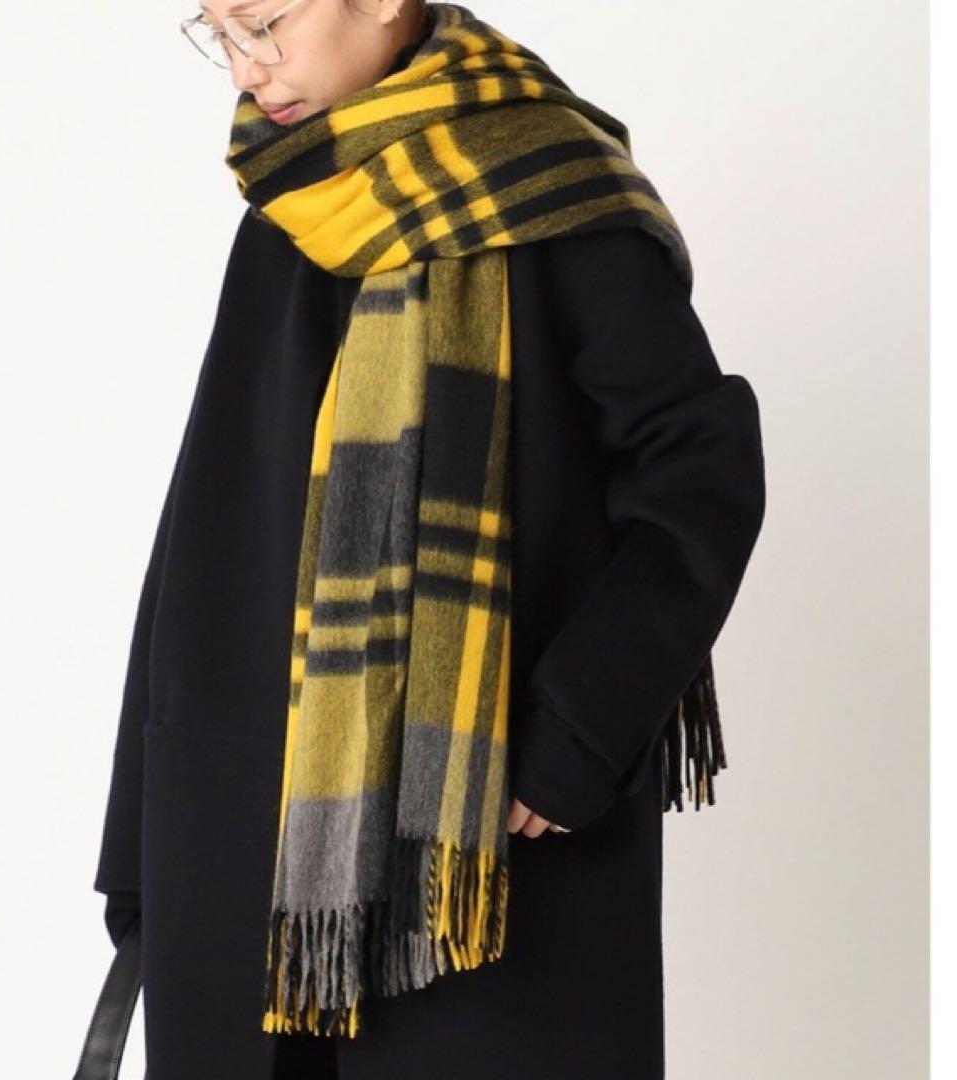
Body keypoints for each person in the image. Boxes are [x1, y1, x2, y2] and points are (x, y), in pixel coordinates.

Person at [91, 2, 766, 1078]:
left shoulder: (558, 194)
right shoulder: (293, 204)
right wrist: (141, 842)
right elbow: (204, 526)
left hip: (478, 849)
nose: (245, 66)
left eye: (264, 22)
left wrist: (578, 730)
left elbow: (701, 472)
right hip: (252, 837)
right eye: (216, 32)